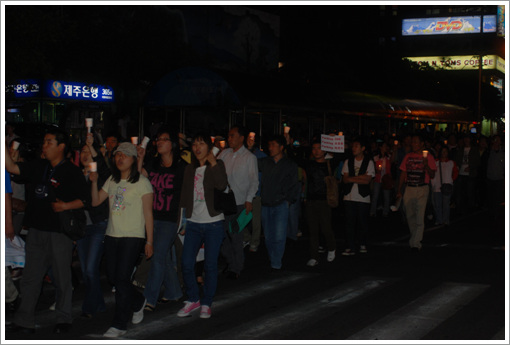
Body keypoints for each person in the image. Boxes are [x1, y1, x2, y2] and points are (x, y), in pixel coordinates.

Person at [5, 127, 88, 334]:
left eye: (49, 142)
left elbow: (86, 200)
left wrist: (65, 206)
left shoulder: (71, 171)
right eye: (44, 142)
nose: (45, 146)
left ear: (61, 146)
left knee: (62, 278)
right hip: (36, 230)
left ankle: (64, 318)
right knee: (31, 277)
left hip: (59, 232)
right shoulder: (39, 166)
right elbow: (13, 168)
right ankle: (24, 320)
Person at [90, 142, 154, 338]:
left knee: (122, 278)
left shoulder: (142, 182)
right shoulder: (112, 179)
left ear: (134, 159)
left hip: (133, 236)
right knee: (113, 277)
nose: (120, 158)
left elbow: (148, 214)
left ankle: (119, 324)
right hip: (112, 234)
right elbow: (95, 201)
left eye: (125, 155)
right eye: (117, 155)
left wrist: (149, 241)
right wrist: (93, 181)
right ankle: (138, 302)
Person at [177, 133, 228, 319]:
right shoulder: (189, 169)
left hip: (213, 223)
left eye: (202, 143)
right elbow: (184, 195)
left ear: (209, 147)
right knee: (187, 263)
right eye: (195, 144)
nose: (197, 148)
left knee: (211, 265)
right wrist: (183, 220)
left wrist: (213, 163)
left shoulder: (218, 165)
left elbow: (222, 185)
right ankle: (193, 298)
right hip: (193, 223)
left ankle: (206, 302)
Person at [139, 126, 186, 311]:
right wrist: (141, 157)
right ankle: (174, 291)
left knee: (157, 255)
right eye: (158, 139)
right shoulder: (153, 163)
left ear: (172, 144)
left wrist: (185, 221)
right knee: (163, 258)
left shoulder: (182, 167)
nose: (159, 142)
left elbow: (186, 195)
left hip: (169, 219)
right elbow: (139, 177)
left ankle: (149, 298)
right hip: (151, 217)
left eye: (164, 139)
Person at [76, 133, 111, 318]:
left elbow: (103, 166)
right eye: (82, 151)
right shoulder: (76, 174)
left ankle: (88, 307)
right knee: (86, 270)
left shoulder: (101, 173)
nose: (84, 155)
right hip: (82, 228)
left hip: (98, 225)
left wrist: (93, 147)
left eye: (88, 151)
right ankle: (98, 304)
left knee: (90, 268)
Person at [218, 126, 259, 279]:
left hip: (239, 202)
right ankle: (231, 261)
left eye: (232, 136)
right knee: (220, 235)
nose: (229, 139)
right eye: (228, 136)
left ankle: (236, 267)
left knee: (236, 236)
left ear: (241, 138)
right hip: (223, 203)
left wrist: (249, 200)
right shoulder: (224, 154)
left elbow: (254, 181)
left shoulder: (249, 157)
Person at [258, 135, 300, 271]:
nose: (270, 148)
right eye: (269, 145)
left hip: (281, 204)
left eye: (274, 145)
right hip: (265, 203)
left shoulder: (289, 164)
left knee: (279, 235)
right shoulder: (264, 162)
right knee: (268, 236)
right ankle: (273, 259)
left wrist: (289, 200)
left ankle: (276, 262)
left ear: (281, 147)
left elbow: (295, 184)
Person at [396, 134, 436, 252]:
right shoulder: (408, 156)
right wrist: (399, 190)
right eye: (412, 142)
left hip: (422, 188)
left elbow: (432, 174)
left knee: (419, 216)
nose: (413, 144)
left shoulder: (428, 156)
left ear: (422, 144)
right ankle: (414, 238)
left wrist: (426, 165)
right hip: (409, 187)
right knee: (410, 215)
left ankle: (416, 243)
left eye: (415, 142)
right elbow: (403, 173)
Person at [303, 141, 338, 266]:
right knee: (312, 230)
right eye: (314, 148)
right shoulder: (309, 164)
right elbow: (295, 157)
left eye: (319, 148)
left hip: (324, 201)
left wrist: (333, 142)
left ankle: (332, 247)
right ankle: (314, 256)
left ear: (324, 151)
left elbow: (343, 155)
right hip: (311, 200)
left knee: (326, 227)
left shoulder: (330, 164)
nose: (316, 151)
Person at [341, 137, 375, 255]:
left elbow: (367, 180)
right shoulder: (348, 161)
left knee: (362, 222)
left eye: (356, 146)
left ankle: (362, 243)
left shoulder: (369, 162)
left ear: (363, 148)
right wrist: (360, 177)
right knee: (349, 223)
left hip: (363, 197)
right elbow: (345, 180)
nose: (353, 148)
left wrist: (351, 178)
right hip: (349, 196)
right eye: (353, 146)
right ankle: (350, 246)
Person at [244, 132, 267, 252]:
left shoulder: (261, 155)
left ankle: (254, 242)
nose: (250, 141)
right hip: (242, 192)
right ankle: (246, 238)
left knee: (255, 220)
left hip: (256, 193)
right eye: (249, 138)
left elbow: (263, 175)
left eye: (252, 139)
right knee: (241, 218)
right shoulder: (241, 153)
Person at [430, 146, 458, 226]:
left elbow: (455, 172)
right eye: (442, 151)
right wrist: (433, 183)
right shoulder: (435, 162)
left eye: (446, 151)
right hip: (437, 186)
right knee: (437, 205)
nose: (444, 153)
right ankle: (439, 219)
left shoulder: (451, 163)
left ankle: (446, 219)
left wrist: (451, 180)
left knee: (446, 204)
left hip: (447, 187)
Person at [454, 134, 480, 215]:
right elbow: (457, 160)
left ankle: (469, 209)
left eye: (467, 138)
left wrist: (471, 167)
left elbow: (478, 162)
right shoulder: (461, 149)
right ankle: (461, 208)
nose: (466, 140)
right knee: (461, 192)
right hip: (461, 173)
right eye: (465, 138)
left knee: (470, 192)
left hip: (470, 174)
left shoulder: (474, 150)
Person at [370, 141, 392, 218]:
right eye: (384, 146)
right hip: (378, 178)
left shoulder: (388, 156)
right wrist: (377, 170)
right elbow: (373, 168)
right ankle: (372, 212)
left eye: (386, 146)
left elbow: (391, 166)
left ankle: (385, 212)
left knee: (386, 196)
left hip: (386, 179)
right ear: (380, 147)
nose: (386, 148)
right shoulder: (376, 157)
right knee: (375, 196)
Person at [486, 135, 505, 223]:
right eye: (495, 140)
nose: (496, 142)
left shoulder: (503, 152)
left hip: (499, 178)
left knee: (497, 197)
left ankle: (496, 214)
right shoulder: (489, 151)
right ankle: (490, 213)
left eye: (498, 140)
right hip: (490, 177)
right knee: (490, 197)